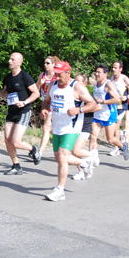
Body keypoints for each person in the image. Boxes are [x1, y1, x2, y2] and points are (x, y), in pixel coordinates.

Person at [41, 62, 99, 201]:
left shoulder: (76, 87)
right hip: (57, 126)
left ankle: (60, 190)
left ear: (68, 73)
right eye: (56, 74)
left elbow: (93, 104)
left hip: (72, 127)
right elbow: (47, 101)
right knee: (58, 158)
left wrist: (79, 110)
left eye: (60, 74)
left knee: (62, 156)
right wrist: (44, 109)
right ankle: (84, 163)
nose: (57, 77)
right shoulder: (52, 85)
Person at [0, 52, 41, 175]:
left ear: (19, 62)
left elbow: (36, 93)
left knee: (15, 142)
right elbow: (6, 92)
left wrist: (25, 102)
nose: (9, 61)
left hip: (23, 111)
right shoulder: (8, 77)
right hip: (11, 111)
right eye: (9, 59)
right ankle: (16, 166)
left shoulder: (25, 77)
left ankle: (33, 149)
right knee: (8, 140)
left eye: (12, 59)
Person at [88, 64, 129, 162]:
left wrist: (102, 101)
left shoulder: (109, 84)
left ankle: (123, 146)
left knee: (110, 139)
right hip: (98, 114)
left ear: (105, 74)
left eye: (99, 72)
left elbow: (116, 99)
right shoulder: (96, 84)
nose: (96, 74)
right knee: (93, 136)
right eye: (96, 72)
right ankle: (92, 158)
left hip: (109, 114)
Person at [70, 73, 99, 181]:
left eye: (80, 81)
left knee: (76, 151)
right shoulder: (72, 93)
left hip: (85, 125)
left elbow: (98, 107)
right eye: (75, 80)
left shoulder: (87, 95)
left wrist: (83, 109)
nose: (77, 83)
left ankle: (92, 156)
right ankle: (82, 171)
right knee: (74, 151)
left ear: (85, 83)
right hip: (74, 124)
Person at [109, 61, 129, 155]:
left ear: (120, 69)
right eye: (113, 67)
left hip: (121, 106)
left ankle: (116, 147)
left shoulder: (124, 79)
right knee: (113, 128)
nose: (113, 69)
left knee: (114, 127)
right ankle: (121, 136)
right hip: (112, 106)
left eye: (115, 68)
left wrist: (127, 97)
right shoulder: (110, 78)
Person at [35, 55, 60, 161]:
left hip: (55, 103)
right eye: (44, 63)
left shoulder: (57, 75)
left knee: (46, 128)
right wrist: (39, 84)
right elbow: (35, 89)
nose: (45, 65)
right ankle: (61, 145)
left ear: (53, 64)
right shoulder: (42, 75)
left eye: (48, 63)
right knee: (49, 128)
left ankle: (40, 152)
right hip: (45, 103)